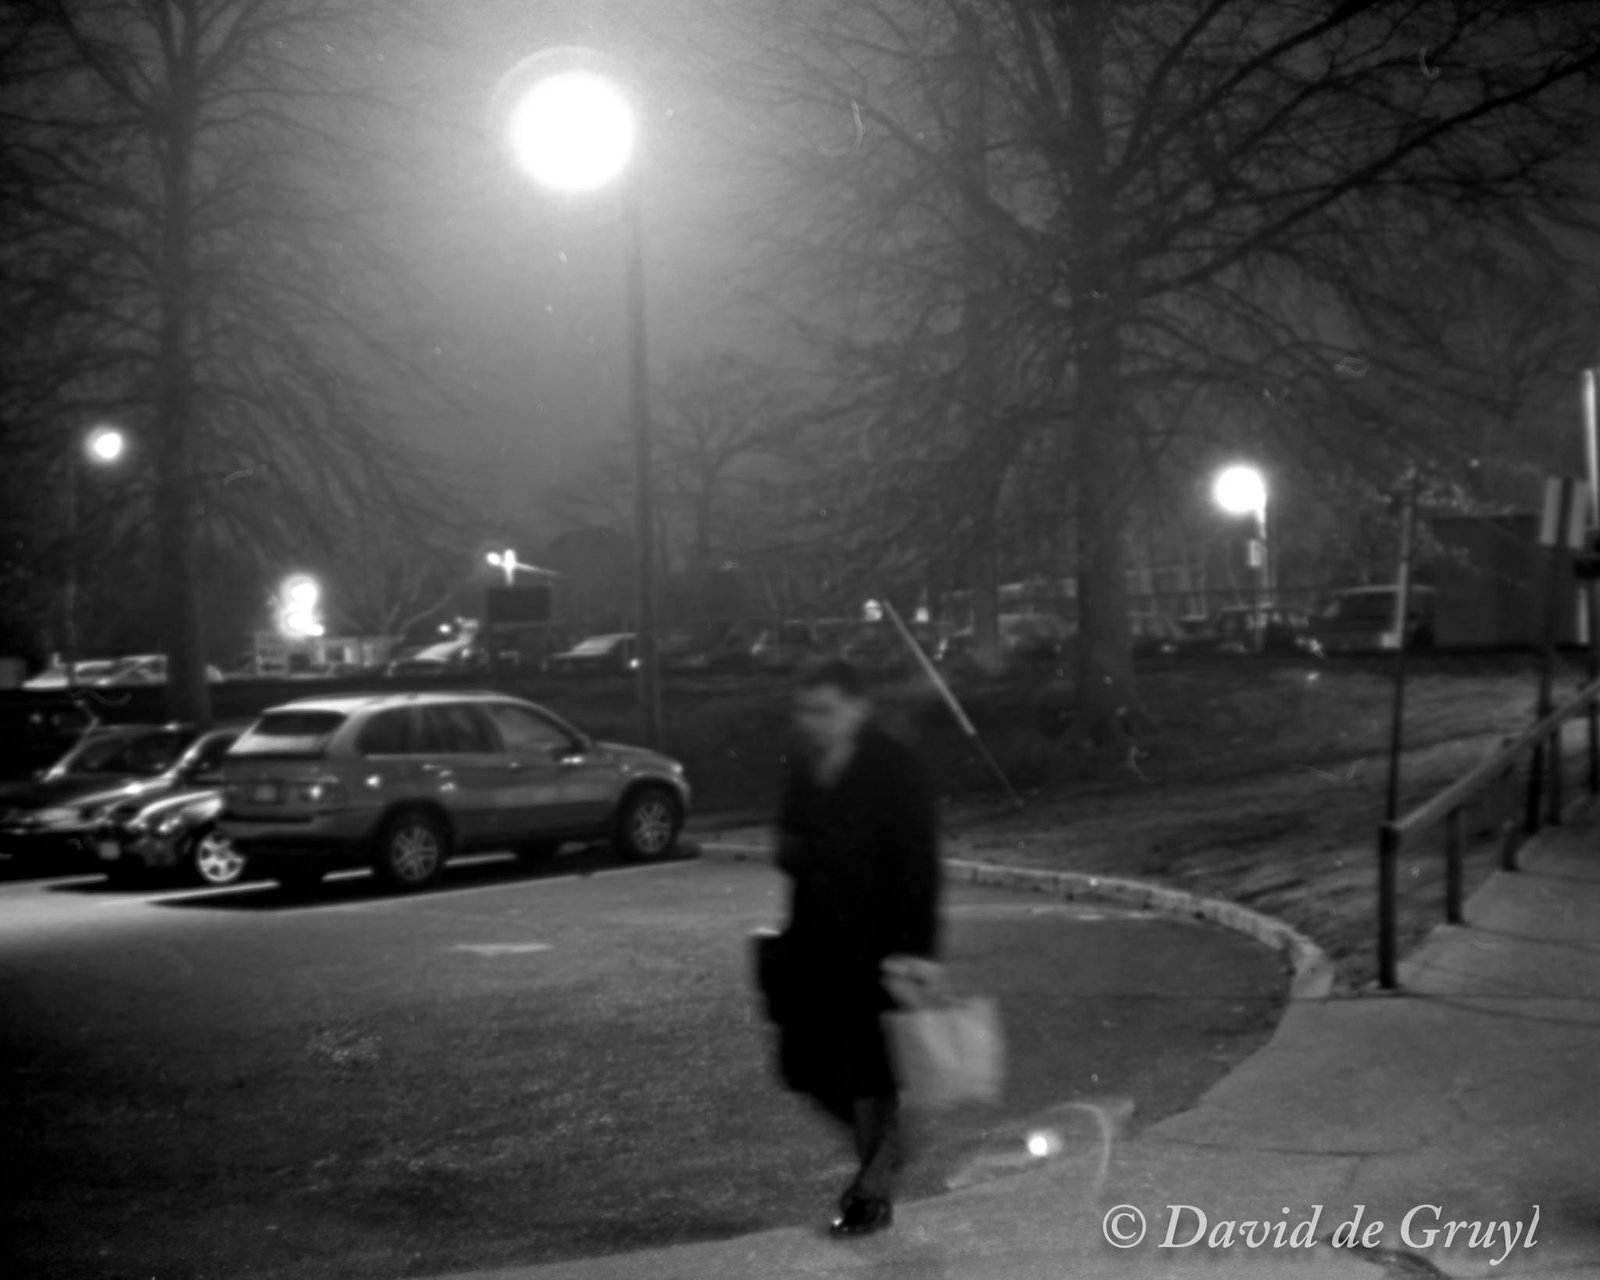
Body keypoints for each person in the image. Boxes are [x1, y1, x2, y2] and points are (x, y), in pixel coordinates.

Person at [770, 657, 943, 1238]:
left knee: (868, 1077)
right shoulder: (805, 763)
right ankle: (890, 1149)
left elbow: (919, 861)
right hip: (814, 943)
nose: (812, 721)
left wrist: (917, 949)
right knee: (803, 1068)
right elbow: (789, 843)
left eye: (825, 709)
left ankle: (871, 1192)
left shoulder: (893, 764)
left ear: (857, 707)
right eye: (806, 709)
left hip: (877, 947)